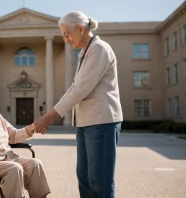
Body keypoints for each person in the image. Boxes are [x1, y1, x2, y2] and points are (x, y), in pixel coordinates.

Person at [33, 11, 123, 198]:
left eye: (67, 34)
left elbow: (81, 89)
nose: (65, 39)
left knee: (100, 181)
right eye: (63, 35)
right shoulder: (84, 52)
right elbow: (75, 88)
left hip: (101, 122)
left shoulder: (99, 49)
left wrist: (49, 116)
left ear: (81, 29)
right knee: (84, 177)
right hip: (85, 123)